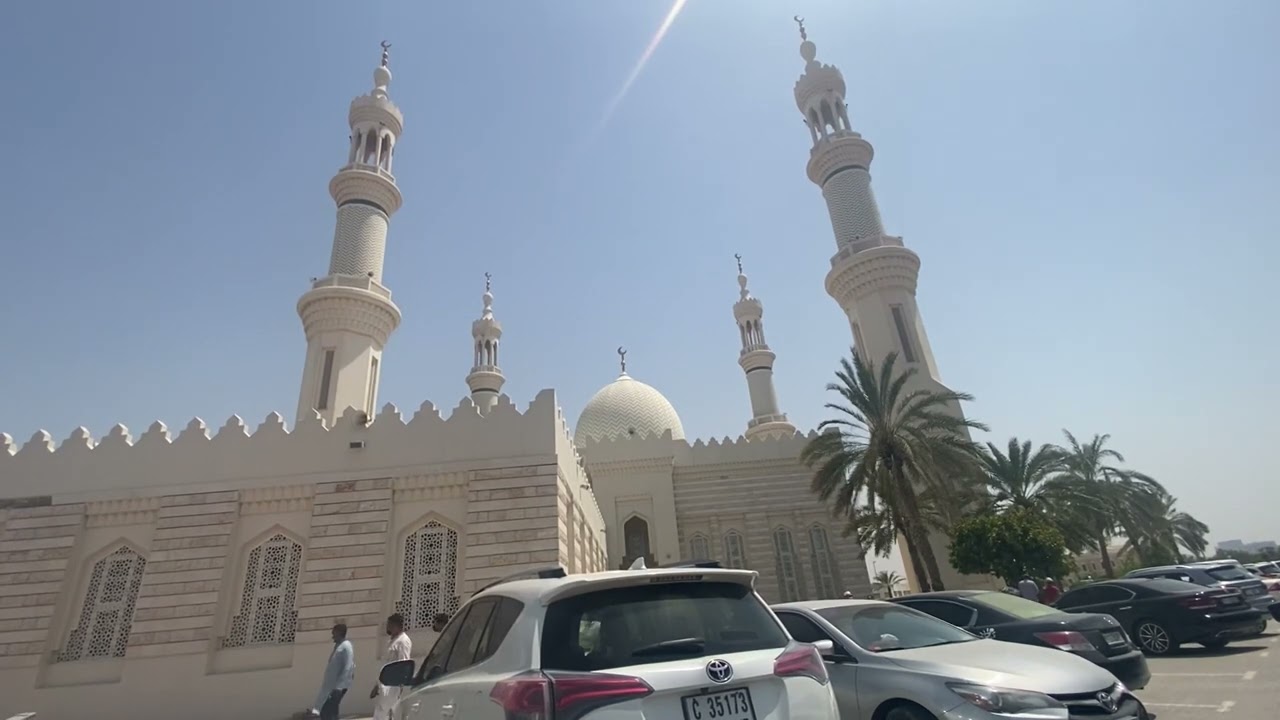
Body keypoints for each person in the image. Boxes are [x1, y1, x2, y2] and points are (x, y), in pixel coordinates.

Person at [371, 614, 412, 720]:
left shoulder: (403, 641)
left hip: (394, 685)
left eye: (389, 625)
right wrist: (377, 685)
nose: (387, 627)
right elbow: (385, 664)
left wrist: (401, 686)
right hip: (385, 684)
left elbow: (403, 663)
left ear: (396, 625)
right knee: (381, 713)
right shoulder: (391, 641)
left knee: (389, 714)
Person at [311, 623, 355, 720]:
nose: (332, 637)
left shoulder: (346, 646)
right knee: (329, 712)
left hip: (337, 688)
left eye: (334, 634)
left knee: (328, 711)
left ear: (339, 633)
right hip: (331, 687)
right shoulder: (338, 646)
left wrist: (339, 687)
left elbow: (348, 667)